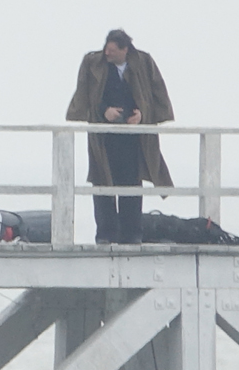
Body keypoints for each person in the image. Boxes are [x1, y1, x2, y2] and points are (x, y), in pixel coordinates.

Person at [66, 28, 174, 245]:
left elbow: (155, 97)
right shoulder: (93, 63)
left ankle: (132, 235)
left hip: (134, 139)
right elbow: (85, 99)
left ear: (125, 50)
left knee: (131, 184)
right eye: (106, 49)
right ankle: (105, 235)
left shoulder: (143, 63)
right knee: (102, 183)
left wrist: (141, 115)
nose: (107, 54)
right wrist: (104, 111)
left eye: (113, 50)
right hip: (103, 138)